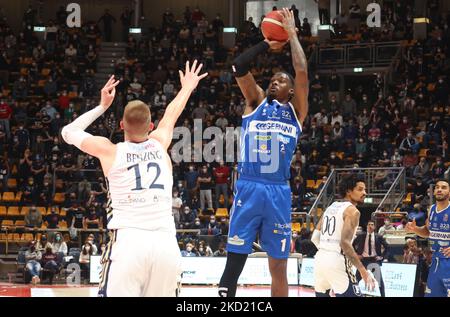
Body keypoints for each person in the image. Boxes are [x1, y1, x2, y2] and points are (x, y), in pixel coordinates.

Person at [61, 61, 207, 297]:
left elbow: (68, 132)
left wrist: (102, 106)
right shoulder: (160, 143)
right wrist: (187, 87)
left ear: (121, 126)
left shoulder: (109, 150)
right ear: (151, 126)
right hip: (165, 244)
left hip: (128, 243)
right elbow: (172, 111)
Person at [218, 8, 308, 297]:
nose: (274, 81)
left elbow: (302, 70)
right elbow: (238, 66)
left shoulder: (296, 112)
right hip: (249, 185)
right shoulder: (255, 100)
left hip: (278, 191)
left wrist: (292, 34)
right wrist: (265, 45)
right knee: (235, 260)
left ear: (291, 92)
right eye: (272, 79)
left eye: (281, 80)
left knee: (278, 266)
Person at [312, 175, 376, 297]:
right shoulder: (353, 211)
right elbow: (345, 243)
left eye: (365, 189)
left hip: (320, 259)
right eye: (360, 189)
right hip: (337, 260)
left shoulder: (331, 207)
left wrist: (326, 249)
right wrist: (363, 270)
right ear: (348, 191)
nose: (364, 193)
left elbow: (314, 237)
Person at [405, 179, 450, 297]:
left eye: (444, 187)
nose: (440, 189)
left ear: (449, 192)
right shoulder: (431, 210)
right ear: (434, 192)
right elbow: (428, 232)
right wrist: (415, 229)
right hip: (435, 261)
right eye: (437, 187)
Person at [353, 220, 389, 297]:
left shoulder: (378, 236)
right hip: (363, 260)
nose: (370, 226)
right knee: (355, 280)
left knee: (380, 282)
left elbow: (387, 247)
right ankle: (353, 295)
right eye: (368, 224)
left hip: (373, 260)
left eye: (372, 224)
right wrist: (356, 254)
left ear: (374, 227)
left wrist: (382, 256)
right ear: (366, 227)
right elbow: (352, 245)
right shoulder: (361, 235)